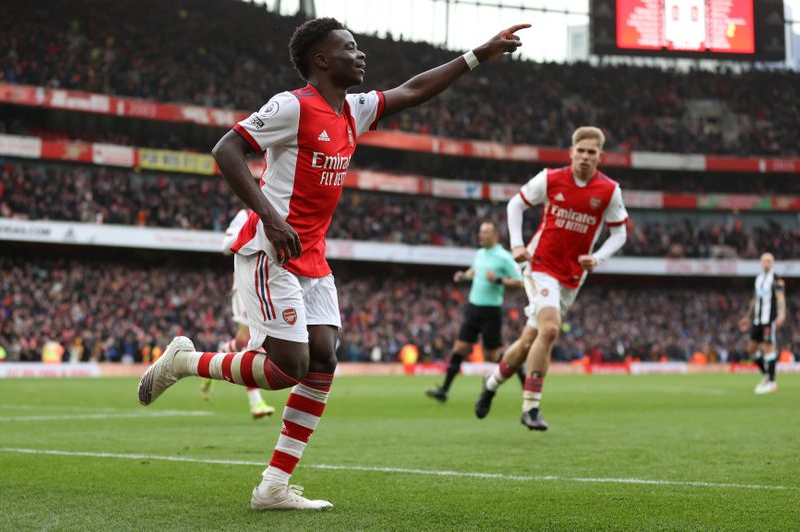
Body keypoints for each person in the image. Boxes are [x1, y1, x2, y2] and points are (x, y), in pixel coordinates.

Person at [137, 17, 529, 510]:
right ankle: (184, 361)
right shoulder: (291, 105)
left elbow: (413, 90)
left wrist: (476, 55)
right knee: (289, 367)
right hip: (270, 249)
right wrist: (271, 218)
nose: (361, 54)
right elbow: (226, 149)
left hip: (313, 257)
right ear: (321, 60)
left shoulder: (353, 110)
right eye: (350, 47)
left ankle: (273, 487)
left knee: (323, 359)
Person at [474, 126, 628, 431]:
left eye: (591, 152)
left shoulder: (609, 191)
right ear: (571, 152)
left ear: (601, 156)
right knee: (550, 329)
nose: (585, 157)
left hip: (573, 274)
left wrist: (598, 258)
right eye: (580, 151)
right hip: (540, 264)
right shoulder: (550, 178)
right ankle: (531, 407)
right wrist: (517, 244)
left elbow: (620, 232)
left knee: (531, 338)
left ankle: (490, 384)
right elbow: (515, 205)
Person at [426, 221, 523, 402]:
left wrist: (499, 280)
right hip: (473, 308)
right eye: (480, 232)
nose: (481, 235)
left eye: (485, 232)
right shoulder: (480, 253)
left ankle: (518, 368)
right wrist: (464, 275)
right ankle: (444, 390)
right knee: (460, 348)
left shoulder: (503, 257)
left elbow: (519, 281)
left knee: (493, 356)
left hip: (491, 311)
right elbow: (475, 270)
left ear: (495, 236)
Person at [199, 208, 277, 418]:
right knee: (252, 342)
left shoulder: (277, 213)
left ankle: (211, 363)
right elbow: (226, 245)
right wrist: (253, 234)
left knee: (244, 341)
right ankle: (256, 402)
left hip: (266, 285)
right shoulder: (245, 215)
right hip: (245, 285)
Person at [739, 252, 786, 394]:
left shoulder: (776, 279)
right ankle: (766, 374)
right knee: (751, 349)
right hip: (757, 320)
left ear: (773, 263)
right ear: (760, 262)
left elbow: (780, 298)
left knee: (768, 348)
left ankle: (771, 382)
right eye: (764, 261)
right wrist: (748, 316)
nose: (767, 263)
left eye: (769, 261)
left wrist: (781, 315)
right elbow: (754, 299)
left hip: (768, 320)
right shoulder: (758, 279)